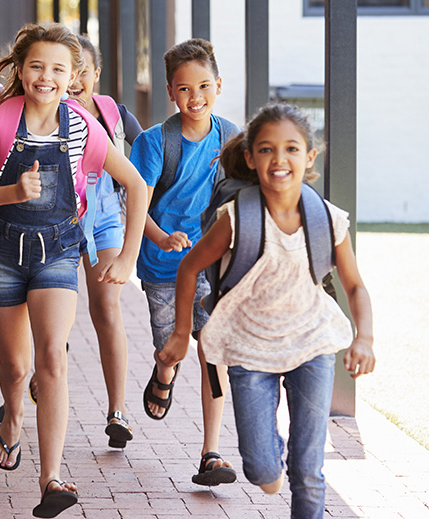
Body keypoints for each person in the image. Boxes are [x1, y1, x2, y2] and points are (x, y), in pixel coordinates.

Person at [0, 23, 147, 518]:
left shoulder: (84, 126)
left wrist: (127, 257)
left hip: (59, 250)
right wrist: (12, 194)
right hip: (1, 252)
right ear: (20, 70)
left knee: (53, 361)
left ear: (74, 76)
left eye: (59, 69)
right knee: (17, 368)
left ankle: (51, 478)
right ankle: (12, 416)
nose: (47, 77)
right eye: (37, 66)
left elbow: (137, 183)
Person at [160, 102, 375, 518]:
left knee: (308, 470)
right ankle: (269, 456)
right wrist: (179, 332)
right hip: (249, 350)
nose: (280, 160)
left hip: (311, 346)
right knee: (261, 468)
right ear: (249, 158)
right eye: (267, 150)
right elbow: (189, 267)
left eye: (292, 149)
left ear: (310, 157)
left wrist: (364, 336)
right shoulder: (238, 217)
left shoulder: (328, 220)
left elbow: (354, 285)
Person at [128, 38, 238, 486]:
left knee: (213, 353)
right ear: (170, 92)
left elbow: (240, 197)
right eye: (184, 89)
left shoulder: (231, 138)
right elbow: (136, 203)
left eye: (204, 86)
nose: (196, 98)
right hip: (162, 268)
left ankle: (211, 452)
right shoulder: (157, 142)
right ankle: (162, 373)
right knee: (171, 348)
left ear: (218, 86)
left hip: (211, 267)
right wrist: (160, 236)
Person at [28, 34, 143, 449]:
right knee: (52, 309)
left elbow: (144, 162)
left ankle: (118, 410)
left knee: (107, 306)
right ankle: (46, 364)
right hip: (57, 219)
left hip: (104, 220)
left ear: (94, 73)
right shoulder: (48, 112)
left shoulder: (114, 113)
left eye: (81, 71)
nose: (73, 80)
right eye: (65, 70)